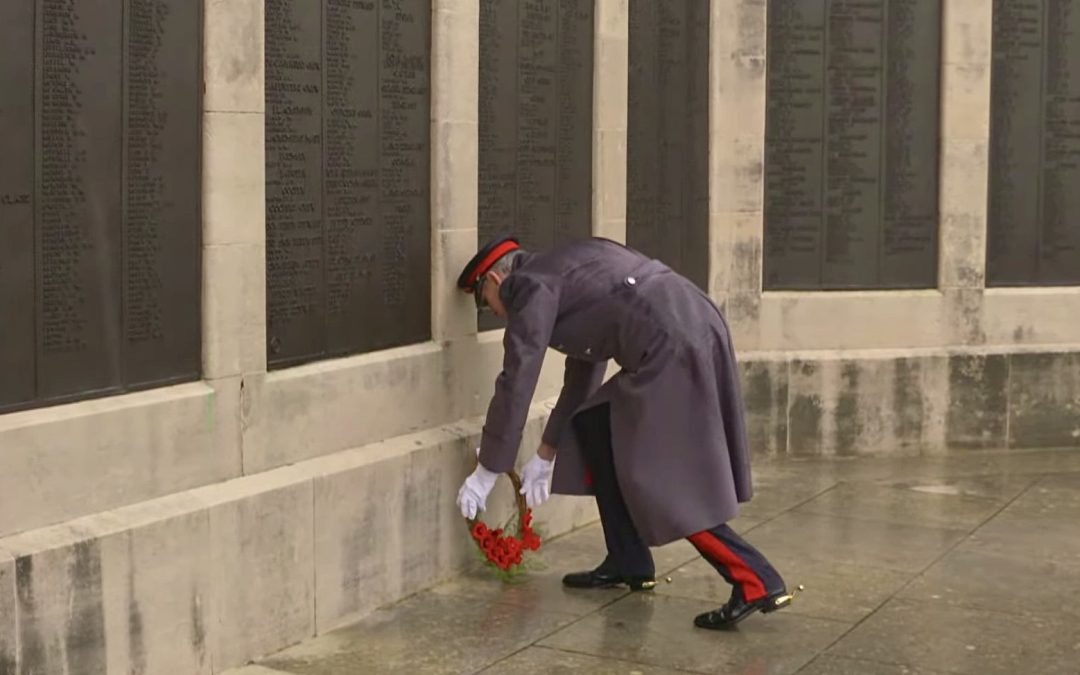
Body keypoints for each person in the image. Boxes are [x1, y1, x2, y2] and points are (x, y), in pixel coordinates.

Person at [455, 235, 796, 629]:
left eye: (485, 303)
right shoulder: (563, 269)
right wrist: (547, 452)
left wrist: (488, 470)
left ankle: (754, 579)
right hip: (691, 319)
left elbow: (518, 378)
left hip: (670, 343)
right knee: (595, 423)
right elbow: (585, 372)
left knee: (660, 480)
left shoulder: (528, 286)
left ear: (496, 279)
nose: (494, 313)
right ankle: (628, 560)